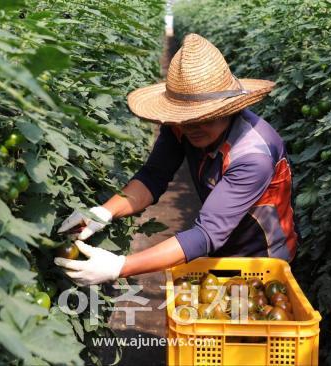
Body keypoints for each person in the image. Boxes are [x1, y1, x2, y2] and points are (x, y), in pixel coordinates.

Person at [54, 33, 298, 286]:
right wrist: (104, 212)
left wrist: (120, 266)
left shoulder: (252, 156)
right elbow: (153, 177)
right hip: (217, 249)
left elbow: (206, 233)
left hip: (260, 258)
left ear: (230, 109)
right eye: (185, 118)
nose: (192, 127)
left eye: (204, 118)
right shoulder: (181, 126)